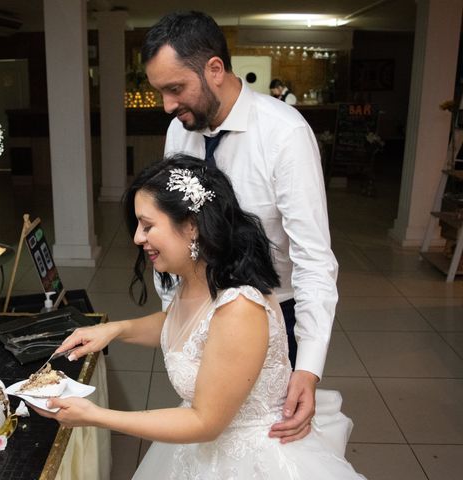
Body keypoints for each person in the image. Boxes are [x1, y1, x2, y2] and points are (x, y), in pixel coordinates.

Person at [34, 156, 364, 479]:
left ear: (191, 226)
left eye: (147, 225)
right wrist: (113, 330)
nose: (137, 237)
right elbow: (183, 326)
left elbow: (206, 423)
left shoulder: (239, 309)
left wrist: (96, 416)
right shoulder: (198, 277)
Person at [140, 11, 338, 444]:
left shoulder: (285, 135)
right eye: (160, 92)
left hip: (270, 318)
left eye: (175, 89)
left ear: (214, 69)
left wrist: (308, 365)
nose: (168, 106)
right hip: (200, 313)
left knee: (255, 445)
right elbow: (177, 227)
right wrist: (176, 311)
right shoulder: (180, 131)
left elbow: (313, 258)